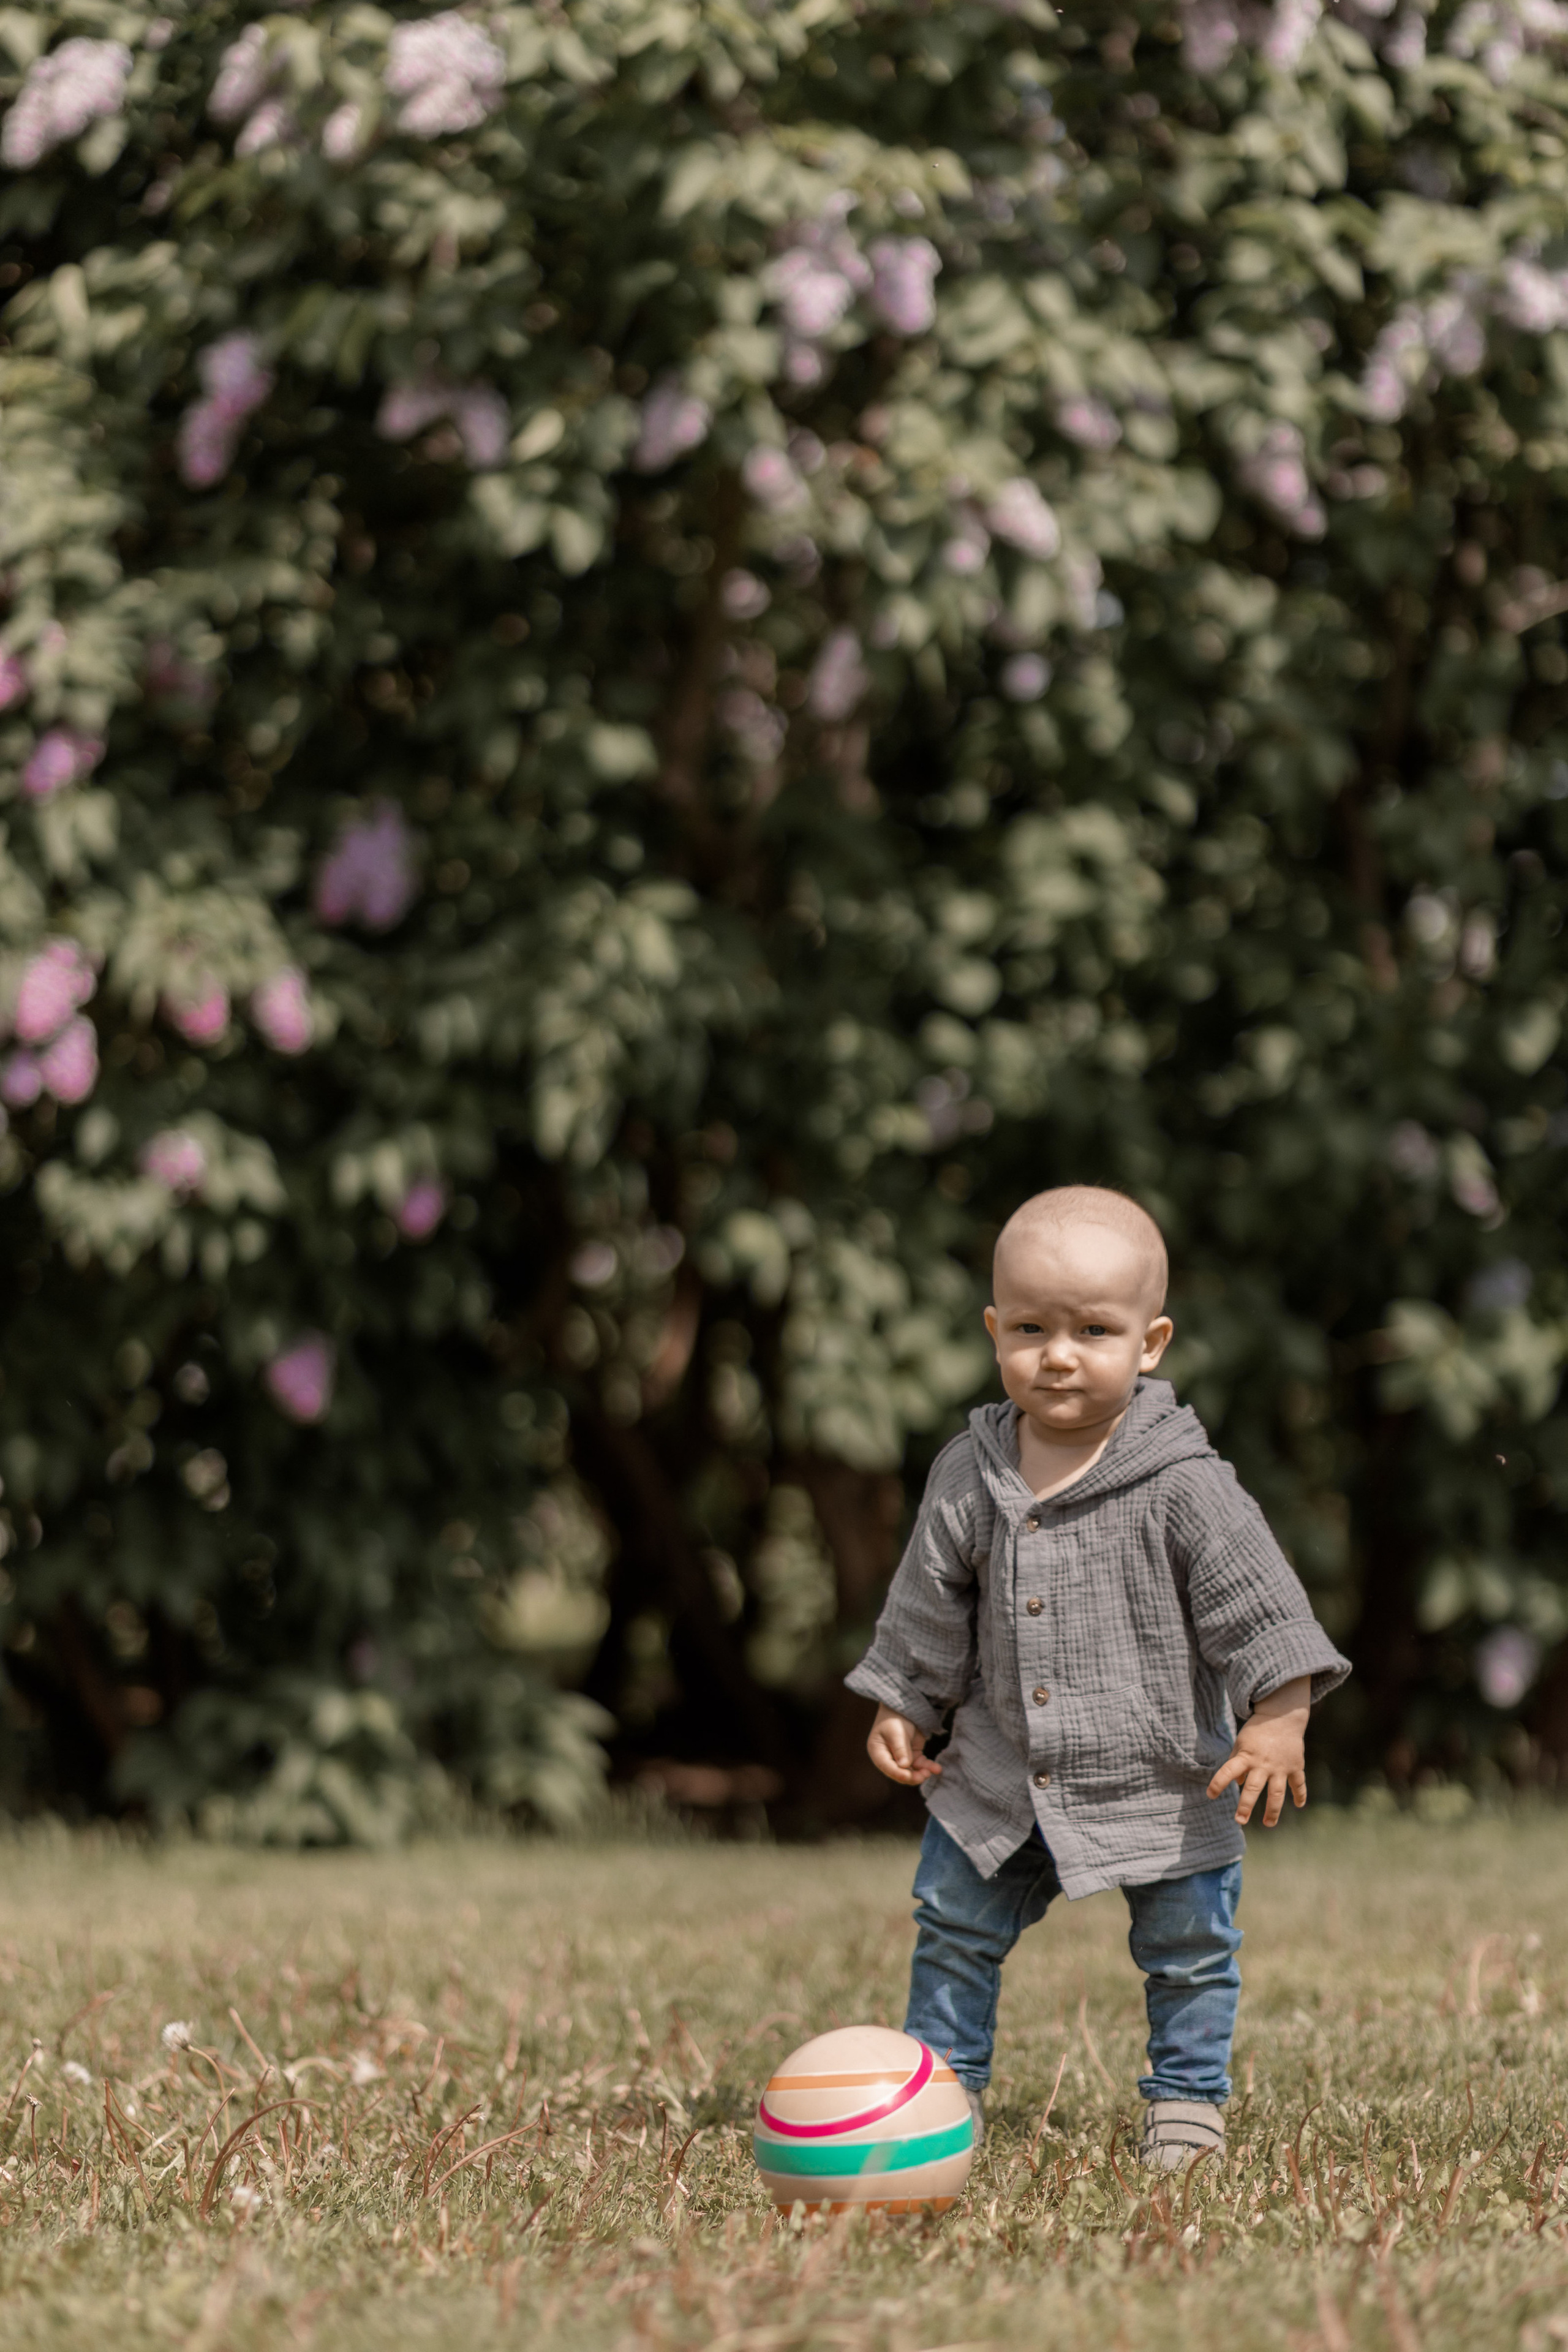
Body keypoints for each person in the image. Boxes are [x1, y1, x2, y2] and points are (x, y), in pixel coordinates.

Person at [847, 1185, 1349, 2171]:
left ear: (1150, 1342)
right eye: (1031, 1327)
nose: (1060, 1353)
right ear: (995, 1331)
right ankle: (940, 2094)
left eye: (1094, 1329)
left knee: (1191, 1952)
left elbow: (1261, 1607)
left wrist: (1278, 1718)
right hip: (998, 1772)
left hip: (1160, 1779)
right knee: (950, 1926)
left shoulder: (1183, 1482)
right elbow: (928, 1601)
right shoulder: (971, 1471)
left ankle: (1187, 2101)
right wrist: (905, 1699)